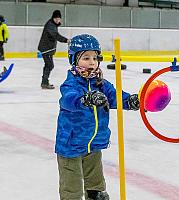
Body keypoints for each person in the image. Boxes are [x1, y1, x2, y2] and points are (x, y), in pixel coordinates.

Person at [55, 34, 140, 200]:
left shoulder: (101, 84)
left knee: (96, 187)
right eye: (86, 58)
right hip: (70, 144)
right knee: (72, 190)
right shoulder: (71, 83)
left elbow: (116, 96)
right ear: (74, 60)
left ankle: (95, 196)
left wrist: (130, 101)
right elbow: (68, 99)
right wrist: (85, 99)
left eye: (95, 57)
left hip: (93, 144)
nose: (92, 62)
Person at [38, 10, 69, 89]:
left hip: (48, 49)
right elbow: (56, 35)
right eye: (56, 19)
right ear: (53, 18)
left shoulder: (53, 25)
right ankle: (44, 82)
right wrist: (66, 40)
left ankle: (44, 82)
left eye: (59, 19)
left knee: (49, 65)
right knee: (49, 65)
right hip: (46, 49)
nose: (57, 20)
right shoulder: (50, 25)